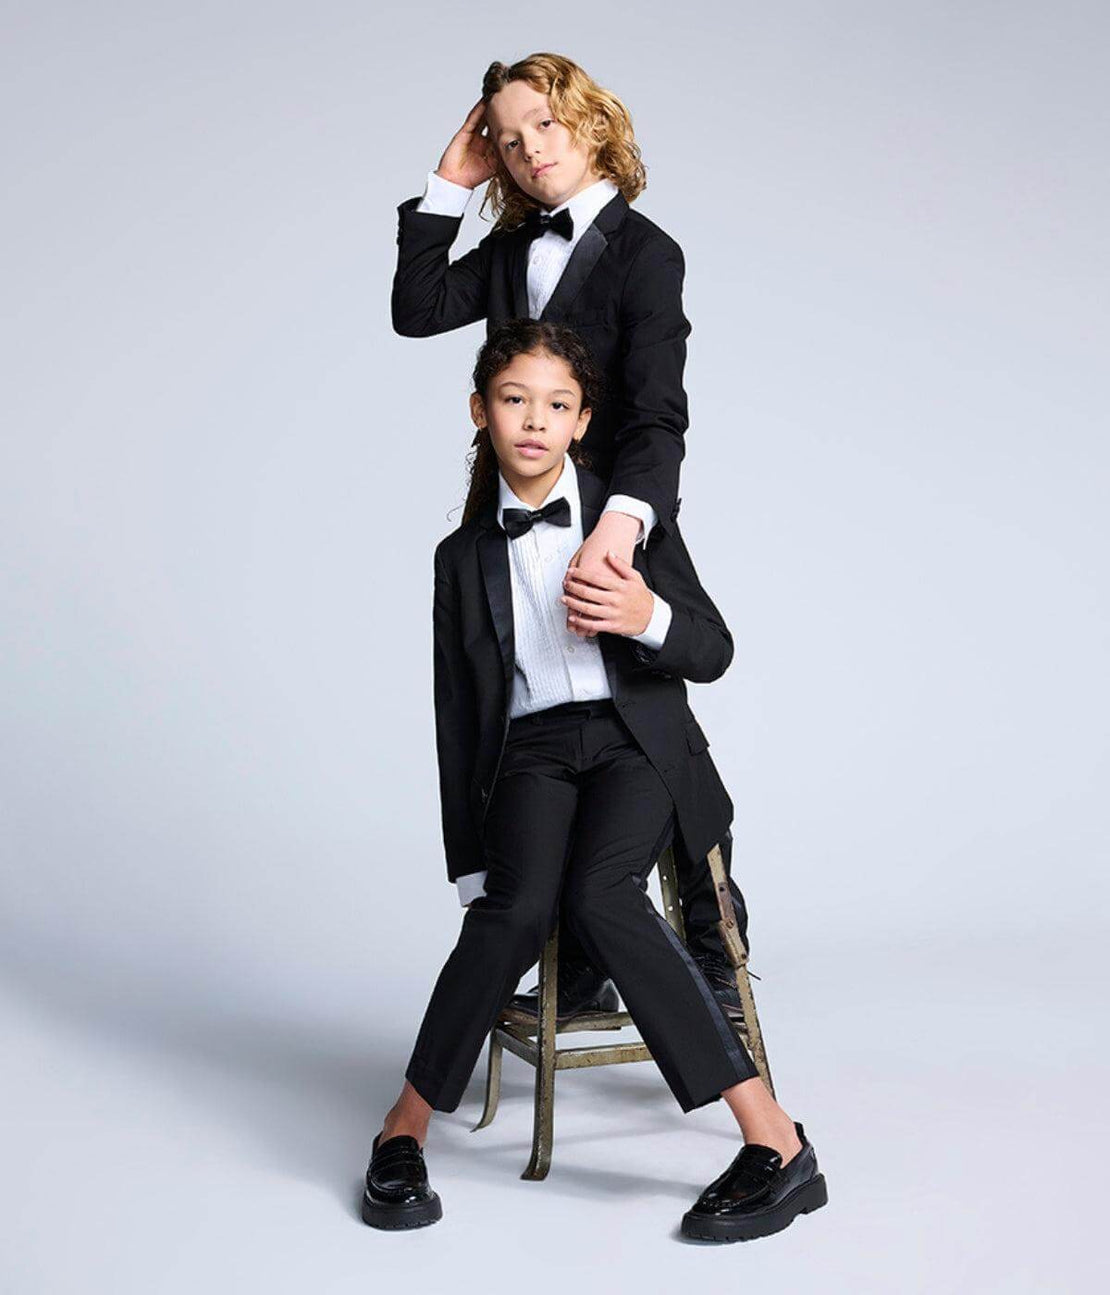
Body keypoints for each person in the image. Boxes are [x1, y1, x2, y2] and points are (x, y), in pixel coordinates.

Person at [362, 321, 827, 1243]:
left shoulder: (629, 512)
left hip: (634, 740)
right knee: (511, 906)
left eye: (558, 404)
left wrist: (645, 612)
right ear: (479, 411)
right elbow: (457, 718)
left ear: (582, 421)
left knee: (603, 893)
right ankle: (400, 1130)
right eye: (514, 399)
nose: (535, 420)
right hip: (531, 751)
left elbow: (714, 648)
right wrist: (468, 862)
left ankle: (776, 1141)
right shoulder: (460, 559)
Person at [392, 50, 751, 1021]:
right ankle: (577, 948)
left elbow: (657, 413)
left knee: (649, 717)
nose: (527, 149)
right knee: (518, 710)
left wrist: (627, 525)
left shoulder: (647, 252)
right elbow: (416, 309)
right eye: (507, 139)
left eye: (544, 124)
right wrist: (448, 187)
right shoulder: (510, 249)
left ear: (593, 123)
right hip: (512, 507)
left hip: (618, 513)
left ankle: (715, 940)